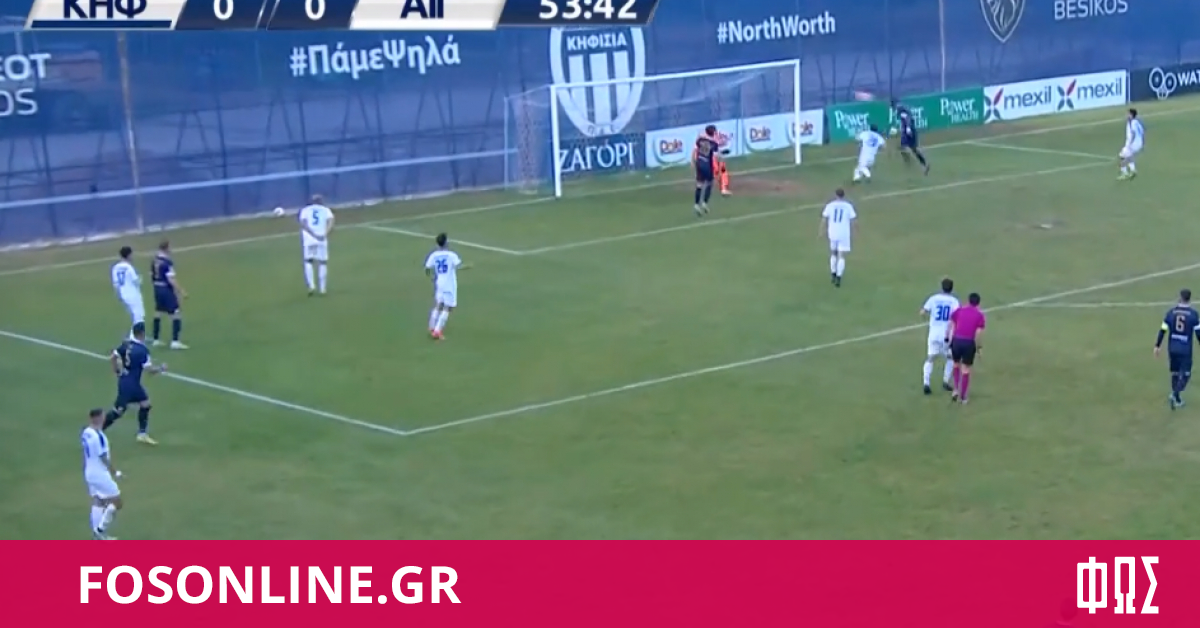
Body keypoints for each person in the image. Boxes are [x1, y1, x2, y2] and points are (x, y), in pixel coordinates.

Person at [104, 322, 166, 444]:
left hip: (127, 381)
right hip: (130, 385)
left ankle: (142, 434)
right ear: (142, 334)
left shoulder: (126, 345)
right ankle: (98, 430)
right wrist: (161, 368)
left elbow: (113, 356)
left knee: (145, 404)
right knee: (118, 411)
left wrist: (116, 370)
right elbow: (149, 370)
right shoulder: (142, 350)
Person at [1154, 289, 1200, 409]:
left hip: (1172, 347)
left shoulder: (1171, 312)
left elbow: (1163, 330)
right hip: (1185, 349)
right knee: (1186, 374)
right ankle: (1174, 395)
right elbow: (1198, 333)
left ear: (1180, 297)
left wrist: (1157, 345)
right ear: (1189, 299)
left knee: (1175, 373)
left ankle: (1177, 399)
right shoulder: (1194, 314)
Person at [82, 408, 122, 540]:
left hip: (89, 472)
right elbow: (103, 457)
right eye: (103, 416)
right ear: (98, 418)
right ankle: (100, 530)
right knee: (117, 501)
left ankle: (97, 537)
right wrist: (115, 472)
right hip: (99, 474)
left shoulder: (86, 432)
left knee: (98, 500)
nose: (105, 418)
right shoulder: (98, 437)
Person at [424, 233, 469, 340]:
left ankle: (431, 326)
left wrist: (431, 277)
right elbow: (459, 266)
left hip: (439, 283)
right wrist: (468, 266)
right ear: (446, 242)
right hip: (449, 285)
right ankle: (437, 331)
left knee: (439, 305)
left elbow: (427, 268)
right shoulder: (451, 255)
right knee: (448, 307)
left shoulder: (434, 255)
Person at [919, 278, 959, 395]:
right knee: (951, 358)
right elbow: (957, 317)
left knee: (930, 358)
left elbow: (922, 312)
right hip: (947, 334)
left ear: (942, 287)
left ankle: (926, 383)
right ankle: (945, 381)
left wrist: (928, 320)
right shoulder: (954, 301)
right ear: (951, 288)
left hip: (933, 333)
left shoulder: (933, 298)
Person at [946, 292, 986, 403]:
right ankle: (963, 397)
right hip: (968, 342)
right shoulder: (980, 316)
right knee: (965, 369)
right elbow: (978, 334)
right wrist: (979, 347)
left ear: (968, 301)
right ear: (978, 303)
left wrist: (948, 337)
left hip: (957, 341)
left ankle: (955, 389)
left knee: (956, 364)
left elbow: (951, 324)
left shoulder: (959, 311)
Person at [150, 241, 187, 349]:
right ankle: (175, 341)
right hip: (165, 289)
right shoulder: (167, 262)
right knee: (176, 313)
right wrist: (181, 291)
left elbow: (151, 275)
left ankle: (156, 339)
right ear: (166, 248)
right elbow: (171, 279)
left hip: (157, 288)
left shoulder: (154, 260)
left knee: (158, 312)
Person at [298, 194, 335, 295]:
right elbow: (331, 222)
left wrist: (312, 234)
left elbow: (303, 223)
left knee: (308, 261)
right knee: (323, 262)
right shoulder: (326, 210)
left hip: (309, 239)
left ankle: (311, 286)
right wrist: (325, 233)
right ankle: (322, 289)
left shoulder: (305, 210)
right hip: (322, 238)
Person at [819, 188, 856, 287]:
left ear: (835, 195)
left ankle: (833, 274)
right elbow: (853, 220)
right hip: (844, 233)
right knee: (841, 255)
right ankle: (839, 278)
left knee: (833, 253)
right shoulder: (848, 206)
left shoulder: (830, 205)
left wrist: (821, 231)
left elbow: (824, 219)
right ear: (844, 195)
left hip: (832, 232)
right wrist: (855, 232)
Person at [892, 99, 930, 175]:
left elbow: (907, 119)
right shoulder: (903, 109)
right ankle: (924, 165)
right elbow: (906, 119)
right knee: (913, 149)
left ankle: (908, 162)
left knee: (903, 147)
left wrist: (908, 128)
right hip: (911, 130)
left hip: (909, 131)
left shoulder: (901, 110)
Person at [111, 246, 144, 327]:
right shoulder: (129, 267)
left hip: (124, 295)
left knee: (134, 316)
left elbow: (116, 284)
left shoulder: (115, 268)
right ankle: (138, 334)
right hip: (133, 294)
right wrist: (140, 279)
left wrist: (119, 296)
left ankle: (134, 333)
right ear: (128, 255)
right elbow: (136, 281)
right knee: (139, 317)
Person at [692, 125, 720, 216]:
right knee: (710, 182)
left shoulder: (700, 140)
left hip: (699, 163)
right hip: (707, 165)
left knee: (699, 184)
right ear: (713, 133)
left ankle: (696, 204)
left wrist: (693, 161)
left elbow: (695, 149)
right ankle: (704, 203)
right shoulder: (714, 143)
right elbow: (717, 155)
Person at [1119, 108, 1144, 180]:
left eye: (1128, 114)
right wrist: (1143, 143)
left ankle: (1125, 173)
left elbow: (1133, 134)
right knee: (1128, 156)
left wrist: (1129, 144)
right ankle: (1133, 170)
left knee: (1123, 157)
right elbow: (1142, 132)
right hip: (1138, 143)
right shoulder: (1137, 122)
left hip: (1133, 144)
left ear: (1131, 115)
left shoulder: (1132, 123)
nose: (1127, 115)